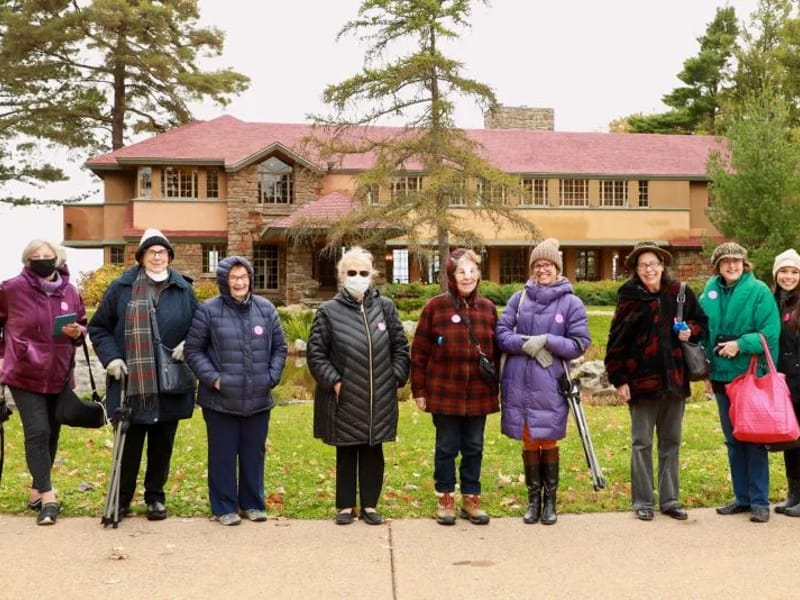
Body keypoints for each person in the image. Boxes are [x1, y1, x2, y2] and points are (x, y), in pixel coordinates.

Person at [89, 228, 198, 520]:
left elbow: (200, 327)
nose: (158, 256)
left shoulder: (184, 289)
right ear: (141, 257)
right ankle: (121, 499)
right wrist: (111, 358)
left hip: (170, 379)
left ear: (170, 256)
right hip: (131, 381)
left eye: (163, 252)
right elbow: (98, 327)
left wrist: (190, 345)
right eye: (152, 252)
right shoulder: (120, 288)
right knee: (130, 445)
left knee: (162, 444)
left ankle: (155, 497)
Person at [605, 241, 707, 522]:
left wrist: (691, 332)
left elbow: (702, 325)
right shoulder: (629, 297)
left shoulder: (680, 294)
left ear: (663, 265)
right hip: (640, 384)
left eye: (653, 264)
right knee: (641, 444)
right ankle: (643, 501)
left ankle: (670, 499)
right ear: (636, 270)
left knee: (671, 442)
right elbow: (616, 342)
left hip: (674, 381)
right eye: (643, 265)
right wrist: (619, 379)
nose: (649, 269)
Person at [307, 246, 409, 525]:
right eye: (351, 272)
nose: (357, 277)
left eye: (363, 273)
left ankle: (370, 505)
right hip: (346, 395)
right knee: (347, 449)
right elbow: (316, 354)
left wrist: (395, 378)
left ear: (372, 276)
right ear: (342, 276)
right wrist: (335, 382)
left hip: (379, 396)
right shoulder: (328, 311)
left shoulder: (385, 308)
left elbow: (400, 347)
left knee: (373, 450)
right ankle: (345, 505)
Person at [184, 256, 287, 526]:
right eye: (234, 277)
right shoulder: (208, 310)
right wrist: (214, 379)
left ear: (250, 279)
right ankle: (224, 507)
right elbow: (193, 351)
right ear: (224, 281)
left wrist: (271, 377)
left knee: (254, 454)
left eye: (244, 277)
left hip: (258, 397)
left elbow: (280, 348)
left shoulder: (266, 309)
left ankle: (253, 503)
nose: (240, 282)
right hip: (220, 400)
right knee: (223, 454)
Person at [496, 239, 591, 525]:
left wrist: (548, 341)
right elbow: (501, 334)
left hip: (550, 383)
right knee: (528, 439)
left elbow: (579, 343)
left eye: (547, 264)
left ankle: (550, 502)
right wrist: (527, 343)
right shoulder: (519, 298)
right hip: (519, 382)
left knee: (547, 438)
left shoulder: (571, 302)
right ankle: (533, 500)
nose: (542, 270)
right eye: (537, 265)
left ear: (558, 268)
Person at [0, 240, 87, 525]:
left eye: (47, 256)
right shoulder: (11, 289)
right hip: (24, 372)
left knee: (52, 433)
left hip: (59, 373)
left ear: (57, 259)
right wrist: (5, 355)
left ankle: (36, 490)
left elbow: (82, 326)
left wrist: (77, 331)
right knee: (37, 431)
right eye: (35, 257)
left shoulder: (70, 291)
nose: (42, 260)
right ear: (27, 261)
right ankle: (48, 498)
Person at [411, 248, 499, 526]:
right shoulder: (435, 307)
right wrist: (419, 391)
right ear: (451, 274)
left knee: (474, 446)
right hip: (444, 392)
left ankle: (471, 498)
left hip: (479, 394)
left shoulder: (487, 308)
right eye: (461, 271)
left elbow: (496, 352)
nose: (467, 276)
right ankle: (445, 497)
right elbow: (419, 353)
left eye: (472, 271)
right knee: (446, 447)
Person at [699, 242, 779, 523]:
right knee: (733, 440)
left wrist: (740, 344)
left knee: (753, 439)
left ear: (745, 265)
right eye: (725, 262)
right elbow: (702, 333)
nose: (731, 266)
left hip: (748, 377)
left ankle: (759, 501)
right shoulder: (708, 294)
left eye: (736, 261)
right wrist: (704, 370)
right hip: (720, 377)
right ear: (717, 266)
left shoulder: (759, 292)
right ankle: (742, 498)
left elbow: (769, 335)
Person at [771, 248, 800, 517]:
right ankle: (794, 492)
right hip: (783, 382)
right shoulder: (774, 302)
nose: (788, 276)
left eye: (794, 271)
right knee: (791, 439)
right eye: (784, 271)